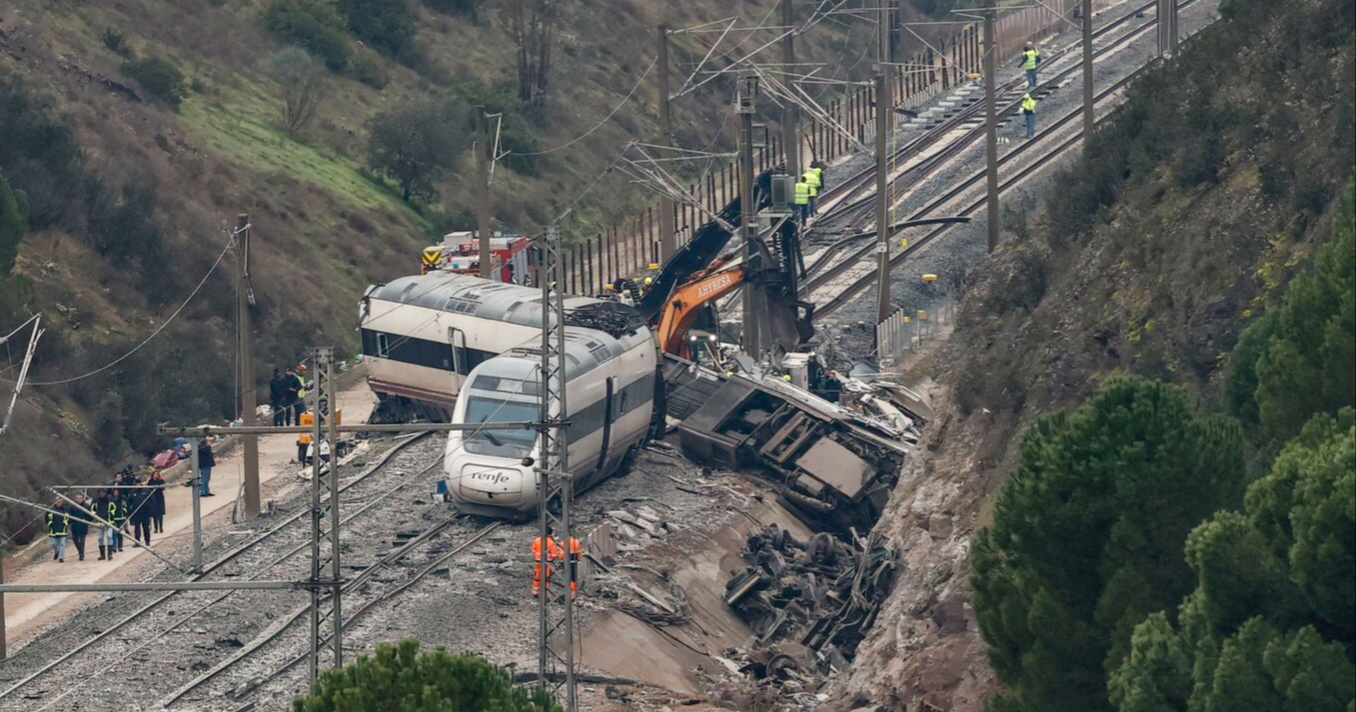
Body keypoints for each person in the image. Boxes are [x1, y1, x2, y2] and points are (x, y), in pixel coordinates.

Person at [531, 526, 563, 597]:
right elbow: (554, 555)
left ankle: (535, 591)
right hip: (548, 563)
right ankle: (546, 593)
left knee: (537, 576)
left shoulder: (537, 540)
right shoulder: (551, 542)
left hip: (538, 561)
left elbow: (533, 551)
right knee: (547, 578)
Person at [64, 491, 92, 561]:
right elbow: (69, 515)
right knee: (75, 540)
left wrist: (87, 520)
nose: (79, 500)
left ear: (83, 499)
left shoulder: (87, 506)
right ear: (75, 499)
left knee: (82, 541)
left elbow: (90, 516)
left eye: (80, 498)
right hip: (74, 526)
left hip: (83, 526)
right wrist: (69, 522)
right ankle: (80, 551)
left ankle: (81, 554)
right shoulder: (72, 506)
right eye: (77, 498)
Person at [93, 489, 117, 560]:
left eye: (103, 493)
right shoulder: (95, 501)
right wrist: (95, 515)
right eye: (100, 493)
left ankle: (110, 554)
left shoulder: (110, 500)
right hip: (99, 522)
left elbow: (114, 509)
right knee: (100, 538)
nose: (101, 494)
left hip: (109, 522)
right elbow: (92, 510)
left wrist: (110, 514)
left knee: (109, 536)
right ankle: (102, 555)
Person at [47, 497, 69, 563]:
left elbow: (68, 519)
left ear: (62, 502)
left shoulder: (65, 510)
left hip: (62, 530)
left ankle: (61, 557)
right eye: (57, 501)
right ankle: (56, 552)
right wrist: (50, 524)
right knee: (54, 544)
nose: (58, 503)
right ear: (55, 501)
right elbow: (47, 519)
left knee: (62, 544)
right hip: (53, 530)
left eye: (60, 501)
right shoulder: (51, 510)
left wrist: (65, 524)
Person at [108, 488, 128, 553]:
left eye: (117, 492)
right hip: (114, 519)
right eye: (115, 492)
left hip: (121, 518)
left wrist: (124, 513)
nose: (116, 493)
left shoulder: (122, 500)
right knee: (114, 533)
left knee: (120, 533)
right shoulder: (110, 500)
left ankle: (120, 546)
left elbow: (125, 507)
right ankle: (114, 547)